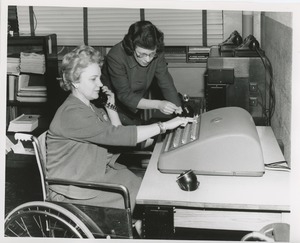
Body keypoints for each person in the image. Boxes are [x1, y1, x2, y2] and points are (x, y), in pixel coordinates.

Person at [46, 45, 193, 219]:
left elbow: (116, 133)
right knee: (142, 199)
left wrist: (111, 105)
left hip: (92, 173)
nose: (100, 84)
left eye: (100, 78)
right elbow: (118, 136)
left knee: (142, 187)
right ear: (75, 81)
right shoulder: (72, 113)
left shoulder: (89, 107)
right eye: (93, 79)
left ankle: (141, 227)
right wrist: (163, 126)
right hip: (74, 189)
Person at [99, 20, 183, 125]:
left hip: (137, 103)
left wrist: (179, 110)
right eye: (141, 54)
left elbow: (166, 82)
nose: (147, 59)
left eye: (151, 54)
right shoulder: (115, 56)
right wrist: (158, 104)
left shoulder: (157, 52)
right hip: (113, 106)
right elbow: (124, 95)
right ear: (132, 47)